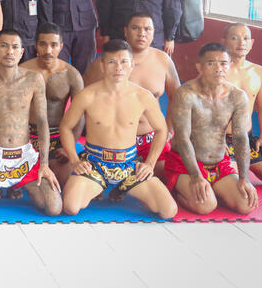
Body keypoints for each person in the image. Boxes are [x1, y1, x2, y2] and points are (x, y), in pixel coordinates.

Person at [59, 40, 177, 218]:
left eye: (124, 62)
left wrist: (149, 164)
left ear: (131, 65)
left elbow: (161, 130)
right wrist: (75, 160)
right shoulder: (87, 95)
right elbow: (66, 127)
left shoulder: (143, 96)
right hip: (95, 164)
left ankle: (126, 188)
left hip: (129, 165)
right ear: (102, 65)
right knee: (71, 206)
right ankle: (98, 187)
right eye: (112, 62)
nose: (118, 67)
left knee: (169, 210)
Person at [0, 30, 62, 215]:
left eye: (15, 47)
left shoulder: (34, 79)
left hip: (24, 156)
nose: (10, 52)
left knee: (54, 207)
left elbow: (42, 122)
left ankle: (19, 184)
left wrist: (45, 164)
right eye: (4, 46)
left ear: (22, 52)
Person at [163, 43, 257, 214]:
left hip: (219, 164)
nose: (219, 68)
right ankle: (178, 189)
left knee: (246, 204)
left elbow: (240, 138)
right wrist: (196, 176)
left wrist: (244, 178)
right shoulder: (186, 94)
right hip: (185, 164)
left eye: (223, 63)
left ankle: (216, 190)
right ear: (199, 67)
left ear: (230, 66)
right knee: (205, 206)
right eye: (212, 63)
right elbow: (183, 138)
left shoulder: (237, 96)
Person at [84, 13, 180, 168]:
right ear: (126, 31)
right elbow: (83, 101)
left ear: (154, 32)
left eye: (147, 29)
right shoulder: (104, 63)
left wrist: (168, 131)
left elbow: (178, 99)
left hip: (150, 139)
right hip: (114, 143)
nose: (142, 33)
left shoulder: (163, 60)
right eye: (136, 28)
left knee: (166, 177)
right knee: (105, 186)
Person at [20, 23, 84, 187]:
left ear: (61, 46)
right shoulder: (22, 71)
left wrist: (69, 146)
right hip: (24, 138)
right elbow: (8, 109)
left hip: (56, 139)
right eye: (43, 44)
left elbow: (80, 116)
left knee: (62, 185)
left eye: (54, 45)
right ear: (35, 45)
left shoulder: (72, 75)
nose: (48, 50)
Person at [223, 23, 262, 183]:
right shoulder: (217, 71)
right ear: (225, 41)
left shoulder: (259, 72)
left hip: (247, 140)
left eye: (245, 38)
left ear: (252, 43)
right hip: (222, 140)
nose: (241, 43)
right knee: (236, 185)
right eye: (235, 38)